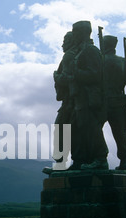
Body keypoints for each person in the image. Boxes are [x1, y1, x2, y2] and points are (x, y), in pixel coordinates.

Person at [70, 21, 108, 170]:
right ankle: (79, 160)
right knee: (76, 129)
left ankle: (100, 159)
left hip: (89, 98)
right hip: (79, 98)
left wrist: (75, 74)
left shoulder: (91, 50)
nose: (73, 34)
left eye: (75, 31)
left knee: (92, 129)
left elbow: (95, 75)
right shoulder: (81, 50)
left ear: (84, 32)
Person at [102, 35, 126, 170]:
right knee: (120, 133)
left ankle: (99, 157)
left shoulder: (100, 61)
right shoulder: (124, 63)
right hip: (119, 102)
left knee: (94, 130)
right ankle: (124, 161)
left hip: (102, 103)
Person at [52, 31, 77, 169]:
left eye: (65, 41)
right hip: (71, 101)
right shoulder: (74, 55)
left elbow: (69, 78)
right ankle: (63, 161)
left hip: (71, 101)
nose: (62, 44)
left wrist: (56, 76)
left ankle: (60, 162)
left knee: (61, 128)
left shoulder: (69, 56)